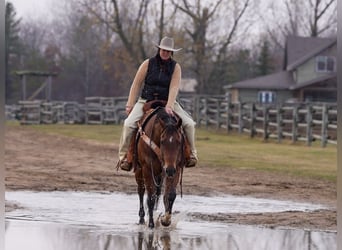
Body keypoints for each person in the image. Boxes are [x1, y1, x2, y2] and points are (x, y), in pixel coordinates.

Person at [117, 36, 198, 171]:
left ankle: (191, 155)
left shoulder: (175, 67)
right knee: (128, 124)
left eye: (168, 51)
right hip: (146, 100)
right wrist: (130, 104)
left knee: (189, 124)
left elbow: (174, 87)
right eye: (163, 50)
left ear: (171, 52)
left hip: (167, 101)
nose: (165, 53)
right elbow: (136, 84)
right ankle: (124, 157)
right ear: (159, 49)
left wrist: (170, 105)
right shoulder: (147, 64)